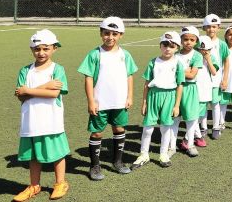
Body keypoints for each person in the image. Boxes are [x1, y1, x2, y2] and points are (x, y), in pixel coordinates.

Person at [77, 16, 138, 181]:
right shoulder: (95, 54)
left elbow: (129, 76)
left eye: (114, 34)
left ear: (121, 35)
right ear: (100, 33)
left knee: (119, 129)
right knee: (97, 133)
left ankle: (117, 162)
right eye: (106, 33)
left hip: (119, 101)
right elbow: (88, 78)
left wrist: (130, 96)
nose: (110, 37)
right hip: (100, 102)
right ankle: (94, 166)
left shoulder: (125, 55)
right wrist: (91, 100)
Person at [13, 30, 69, 201]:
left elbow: (54, 93)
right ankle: (34, 185)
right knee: (34, 156)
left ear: (54, 48)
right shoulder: (25, 71)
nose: (41, 53)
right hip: (31, 121)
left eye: (46, 48)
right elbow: (21, 96)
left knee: (57, 154)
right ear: (32, 50)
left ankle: (60, 183)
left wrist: (29, 90)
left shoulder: (57, 69)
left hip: (51, 121)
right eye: (37, 49)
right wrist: (46, 86)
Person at [131, 32, 185, 170]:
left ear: (177, 48)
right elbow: (146, 83)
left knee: (165, 127)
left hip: (169, 96)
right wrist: (144, 102)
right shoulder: (153, 62)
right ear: (160, 46)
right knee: (148, 128)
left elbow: (180, 85)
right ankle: (144, 154)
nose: (168, 48)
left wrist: (177, 105)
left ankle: (163, 154)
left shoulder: (178, 63)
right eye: (165, 45)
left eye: (172, 46)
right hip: (153, 96)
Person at [172, 26, 203, 158]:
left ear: (196, 41)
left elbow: (191, 75)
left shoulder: (197, 55)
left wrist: (177, 70)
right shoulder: (174, 55)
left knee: (191, 119)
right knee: (175, 118)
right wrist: (186, 70)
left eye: (192, 39)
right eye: (185, 39)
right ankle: (171, 146)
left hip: (190, 89)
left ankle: (190, 144)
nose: (188, 42)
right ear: (180, 40)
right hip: (175, 88)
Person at [202, 14, 229, 140]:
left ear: (218, 27)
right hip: (201, 80)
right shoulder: (200, 41)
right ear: (204, 28)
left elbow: (226, 62)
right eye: (208, 27)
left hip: (215, 79)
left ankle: (216, 127)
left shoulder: (222, 44)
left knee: (215, 104)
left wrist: (225, 79)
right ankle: (203, 127)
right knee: (202, 104)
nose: (211, 29)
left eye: (214, 26)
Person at [194, 35, 218, 147]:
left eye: (206, 50)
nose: (203, 52)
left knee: (202, 110)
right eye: (200, 49)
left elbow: (214, 72)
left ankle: (200, 130)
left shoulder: (211, 58)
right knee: (194, 111)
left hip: (205, 87)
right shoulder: (194, 56)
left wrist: (208, 59)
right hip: (193, 87)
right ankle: (197, 130)